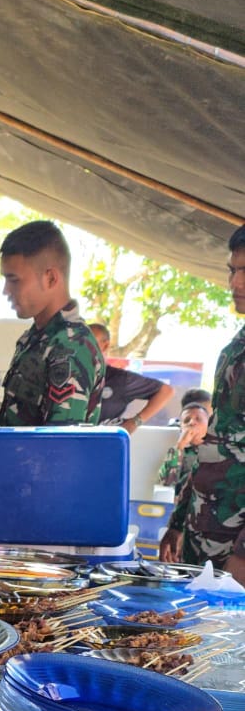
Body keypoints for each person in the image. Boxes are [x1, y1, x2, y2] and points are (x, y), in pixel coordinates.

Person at [160, 224, 245, 583]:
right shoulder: (235, 348)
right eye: (232, 270)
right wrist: (179, 522)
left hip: (235, 550)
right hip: (205, 539)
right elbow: (214, 445)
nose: (235, 284)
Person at [0, 220, 106, 426]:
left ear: (51, 278)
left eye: (14, 280)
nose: (6, 290)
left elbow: (58, 447)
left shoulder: (72, 346)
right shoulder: (35, 338)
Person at [88, 323, 173, 433]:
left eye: (89, 343)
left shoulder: (120, 379)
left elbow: (166, 391)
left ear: (105, 346)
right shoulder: (72, 377)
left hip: (104, 444)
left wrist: (135, 422)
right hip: (69, 443)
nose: (82, 347)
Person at [157, 397, 211, 491]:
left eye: (198, 419)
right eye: (186, 420)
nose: (192, 423)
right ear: (181, 427)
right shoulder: (179, 452)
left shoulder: (221, 448)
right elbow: (166, 484)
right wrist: (180, 445)